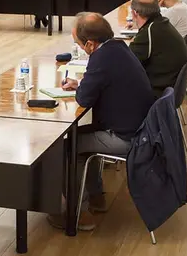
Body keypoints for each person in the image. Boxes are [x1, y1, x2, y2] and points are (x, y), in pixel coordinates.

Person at [49, 13, 155, 231]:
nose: (78, 46)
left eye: (77, 42)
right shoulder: (118, 48)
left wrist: (83, 86)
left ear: (89, 44)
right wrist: (82, 83)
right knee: (84, 138)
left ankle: (79, 213)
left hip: (128, 138)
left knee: (70, 147)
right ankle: (96, 198)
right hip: (140, 129)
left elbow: (84, 99)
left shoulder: (101, 58)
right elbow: (104, 85)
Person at [129, 0, 187, 97]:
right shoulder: (162, 23)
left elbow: (128, 60)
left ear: (135, 13)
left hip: (158, 90)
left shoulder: (150, 32)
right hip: (170, 87)